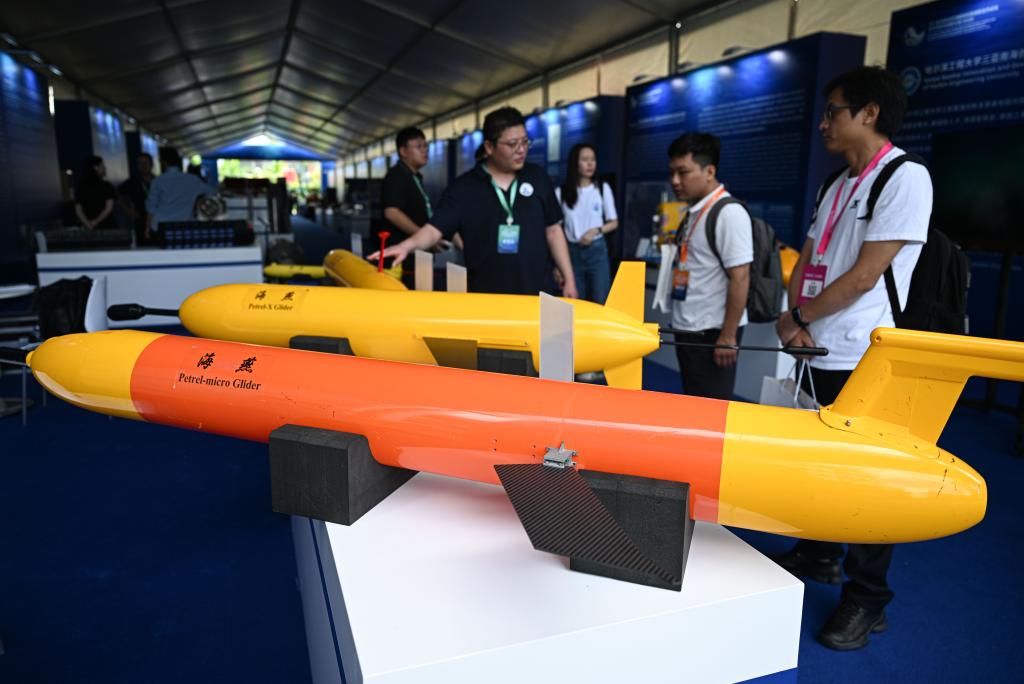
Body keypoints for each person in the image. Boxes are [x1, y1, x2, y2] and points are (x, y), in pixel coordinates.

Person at [773, 66, 932, 651]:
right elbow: (808, 255)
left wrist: (800, 316)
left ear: (869, 113)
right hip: (816, 343)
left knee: (869, 474)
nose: (823, 123)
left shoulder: (905, 177)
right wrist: (795, 316)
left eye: (833, 111)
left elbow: (866, 275)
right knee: (820, 461)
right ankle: (819, 552)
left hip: (867, 349)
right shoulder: (835, 183)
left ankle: (867, 597)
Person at [370, 107, 577, 298]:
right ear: (489, 147)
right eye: (512, 144)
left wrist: (569, 278)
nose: (521, 150)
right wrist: (406, 246)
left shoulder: (538, 177)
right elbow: (434, 229)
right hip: (485, 295)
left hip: (537, 293)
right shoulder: (464, 188)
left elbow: (553, 230)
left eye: (525, 142)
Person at [665, 133, 752, 400]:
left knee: (711, 408)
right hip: (689, 327)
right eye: (672, 172)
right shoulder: (693, 211)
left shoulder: (729, 213)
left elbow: (741, 277)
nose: (675, 181)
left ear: (709, 171)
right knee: (693, 402)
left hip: (712, 333)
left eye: (683, 172)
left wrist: (728, 336)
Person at [556, 143, 618, 304]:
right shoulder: (561, 192)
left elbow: (614, 222)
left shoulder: (602, 188)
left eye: (593, 159)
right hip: (571, 253)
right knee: (575, 304)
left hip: (597, 251)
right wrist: (557, 265)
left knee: (600, 302)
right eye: (585, 159)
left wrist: (595, 231)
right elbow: (555, 230)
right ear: (575, 163)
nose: (590, 164)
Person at [380, 127, 433, 286]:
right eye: (418, 146)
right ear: (403, 151)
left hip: (417, 254)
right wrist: (425, 236)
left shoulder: (415, 176)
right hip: (402, 257)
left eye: (426, 146)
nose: (424, 150)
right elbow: (392, 212)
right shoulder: (397, 176)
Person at [146, 147, 214, 240]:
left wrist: (147, 228)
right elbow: (211, 192)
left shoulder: (157, 181)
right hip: (184, 227)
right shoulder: (193, 180)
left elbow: (151, 208)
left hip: (160, 227)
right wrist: (196, 205)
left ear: (162, 161)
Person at [118, 153, 155, 245]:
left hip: (157, 219)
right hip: (140, 220)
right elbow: (120, 198)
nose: (143, 165)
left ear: (151, 164)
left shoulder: (158, 181)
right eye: (140, 163)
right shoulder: (131, 182)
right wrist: (130, 212)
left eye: (146, 163)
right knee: (143, 246)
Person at [74, 155, 116, 230]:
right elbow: (109, 208)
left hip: (88, 227)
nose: (105, 168)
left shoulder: (81, 187)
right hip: (107, 226)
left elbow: (78, 210)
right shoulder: (106, 186)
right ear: (96, 167)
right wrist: (95, 222)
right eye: (102, 165)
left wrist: (87, 224)